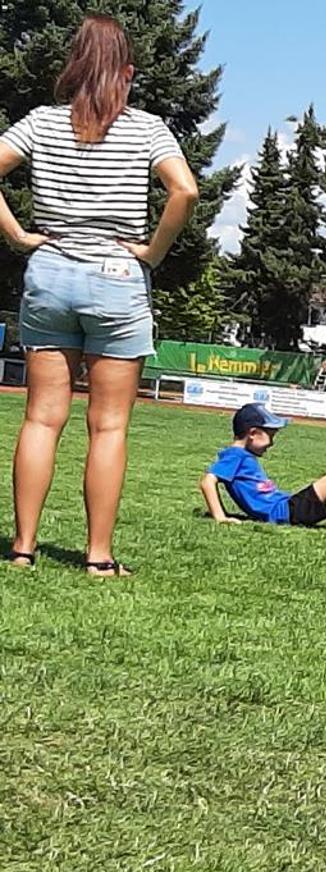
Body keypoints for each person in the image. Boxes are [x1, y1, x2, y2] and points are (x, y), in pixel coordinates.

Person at [1, 15, 198, 574]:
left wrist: (17, 235)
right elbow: (185, 191)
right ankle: (98, 557)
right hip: (117, 278)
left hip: (50, 274)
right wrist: (153, 252)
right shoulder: (147, 130)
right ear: (127, 73)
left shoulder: (40, 122)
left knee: (42, 419)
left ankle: (23, 548)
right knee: (108, 425)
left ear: (74, 67)